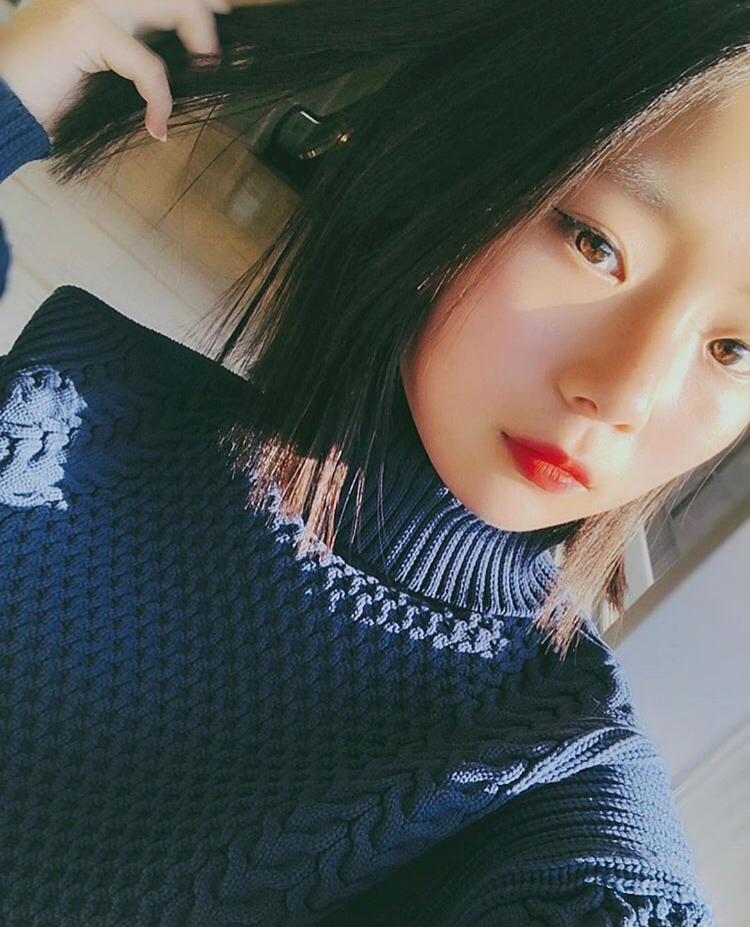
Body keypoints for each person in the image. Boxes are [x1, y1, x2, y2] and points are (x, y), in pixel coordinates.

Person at [0, 0, 745, 923]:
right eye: (596, 245)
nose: (627, 394)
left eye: (735, 350)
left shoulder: (549, 785)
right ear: (453, 171)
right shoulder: (74, 421)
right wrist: (14, 86)